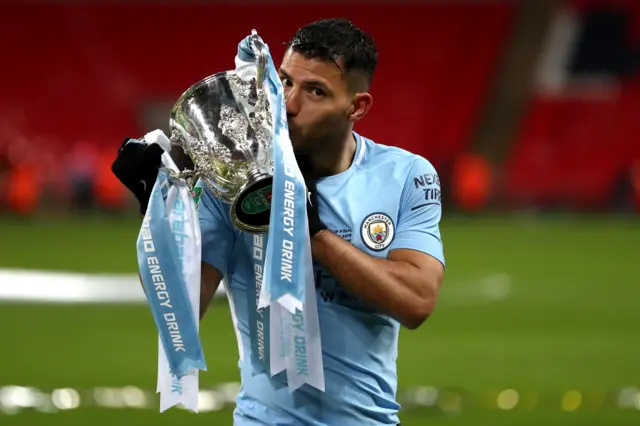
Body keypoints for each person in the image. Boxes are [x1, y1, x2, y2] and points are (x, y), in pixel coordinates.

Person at [112, 18, 445, 426]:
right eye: (285, 82)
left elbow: (416, 302)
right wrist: (158, 217)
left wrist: (313, 234)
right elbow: (183, 309)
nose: (288, 104)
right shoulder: (236, 180)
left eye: (315, 91)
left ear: (357, 107)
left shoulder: (405, 175)